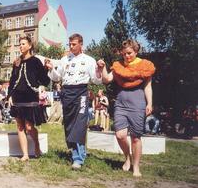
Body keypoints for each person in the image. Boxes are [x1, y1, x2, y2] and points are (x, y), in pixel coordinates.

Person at [97, 39, 155, 177]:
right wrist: (102, 68)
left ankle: (136, 167)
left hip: (138, 102)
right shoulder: (118, 66)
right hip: (121, 102)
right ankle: (127, 157)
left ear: (136, 51)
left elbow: (148, 86)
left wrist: (149, 103)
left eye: (129, 53)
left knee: (136, 137)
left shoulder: (145, 66)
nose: (126, 56)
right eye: (124, 54)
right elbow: (106, 80)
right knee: (120, 135)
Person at [45, 33, 103, 169]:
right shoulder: (65, 59)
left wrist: (99, 69)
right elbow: (56, 77)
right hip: (67, 92)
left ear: (81, 44)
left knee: (80, 123)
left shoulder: (89, 60)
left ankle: (78, 158)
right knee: (70, 123)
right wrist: (51, 68)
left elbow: (96, 79)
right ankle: (76, 150)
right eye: (69, 44)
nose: (71, 47)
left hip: (81, 92)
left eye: (74, 44)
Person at [8, 35, 50, 161]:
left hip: (30, 96)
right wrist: (9, 95)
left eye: (23, 44)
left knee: (29, 127)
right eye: (20, 44)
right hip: (17, 97)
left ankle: (36, 143)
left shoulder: (35, 61)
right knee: (20, 126)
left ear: (30, 46)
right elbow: (12, 81)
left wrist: (46, 69)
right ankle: (25, 154)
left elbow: (44, 79)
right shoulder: (16, 62)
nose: (21, 46)